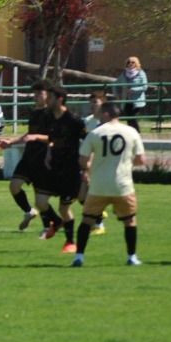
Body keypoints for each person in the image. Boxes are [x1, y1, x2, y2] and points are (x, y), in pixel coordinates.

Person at [72, 100, 146, 267]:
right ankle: (132, 257)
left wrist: (89, 168)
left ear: (106, 114)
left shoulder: (95, 133)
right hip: (123, 185)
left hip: (98, 185)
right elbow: (141, 160)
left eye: (100, 113)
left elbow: (82, 160)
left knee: (87, 220)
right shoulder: (131, 131)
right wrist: (125, 162)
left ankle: (79, 257)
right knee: (130, 221)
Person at [0, 80, 53, 232]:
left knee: (40, 195)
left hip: (43, 157)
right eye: (35, 93)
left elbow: (54, 137)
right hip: (29, 156)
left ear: (48, 95)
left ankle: (48, 225)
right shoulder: (34, 113)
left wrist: (37, 138)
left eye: (40, 93)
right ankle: (29, 211)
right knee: (14, 186)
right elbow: (29, 134)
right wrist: (11, 142)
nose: (36, 96)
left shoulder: (51, 114)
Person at [38, 87, 88, 252]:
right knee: (40, 201)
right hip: (54, 167)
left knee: (64, 208)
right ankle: (57, 222)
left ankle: (70, 242)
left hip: (70, 170)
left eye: (50, 97)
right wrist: (48, 153)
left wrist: (87, 167)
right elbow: (51, 139)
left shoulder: (74, 120)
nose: (47, 100)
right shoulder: (50, 117)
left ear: (59, 99)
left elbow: (89, 142)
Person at [80, 91, 108, 235]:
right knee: (81, 195)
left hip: (101, 163)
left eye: (95, 102)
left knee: (93, 193)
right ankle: (99, 214)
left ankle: (99, 224)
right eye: (91, 102)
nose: (92, 105)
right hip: (88, 161)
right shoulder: (87, 121)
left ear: (103, 104)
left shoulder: (107, 123)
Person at [114, 56, 148, 132]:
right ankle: (131, 133)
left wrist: (133, 90)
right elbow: (115, 84)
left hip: (137, 101)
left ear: (137, 63)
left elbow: (145, 86)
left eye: (133, 62)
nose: (130, 63)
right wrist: (117, 95)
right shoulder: (124, 74)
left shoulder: (141, 73)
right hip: (126, 100)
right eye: (128, 62)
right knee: (129, 118)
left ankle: (137, 132)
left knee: (133, 117)